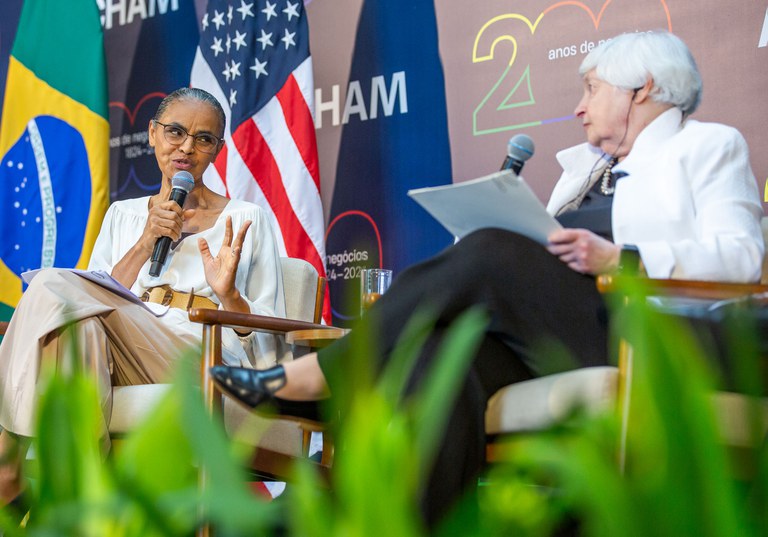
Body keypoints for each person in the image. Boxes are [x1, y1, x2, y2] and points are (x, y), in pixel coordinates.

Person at [211, 31, 765, 525]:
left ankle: (328, 375)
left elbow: (742, 260)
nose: (578, 108)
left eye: (592, 88)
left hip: (660, 341)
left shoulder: (706, 146)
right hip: (571, 334)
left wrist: (620, 260)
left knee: (497, 250)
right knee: (439, 356)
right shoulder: (583, 174)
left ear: (641, 88)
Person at [0, 87, 286, 504]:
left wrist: (230, 296)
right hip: (122, 348)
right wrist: (145, 240)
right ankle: (88, 498)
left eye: (203, 139)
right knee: (78, 326)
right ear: (152, 134)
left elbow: (269, 349)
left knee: (51, 288)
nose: (187, 146)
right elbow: (97, 292)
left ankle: (10, 467)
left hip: (201, 352)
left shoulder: (245, 219)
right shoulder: (124, 215)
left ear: (217, 150)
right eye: (175, 132)